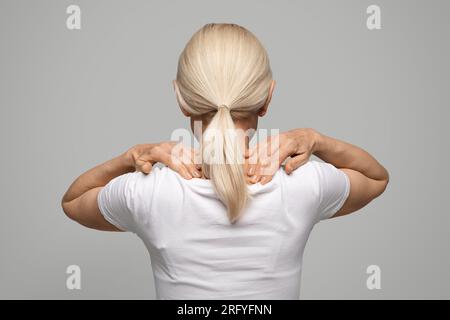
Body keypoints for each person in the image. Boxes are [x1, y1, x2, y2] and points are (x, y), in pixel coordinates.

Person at [61, 23, 389, 299]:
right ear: (267, 98)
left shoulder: (149, 191)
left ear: (181, 100)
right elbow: (375, 178)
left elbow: (74, 202)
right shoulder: (300, 181)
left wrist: (130, 157)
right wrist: (315, 139)